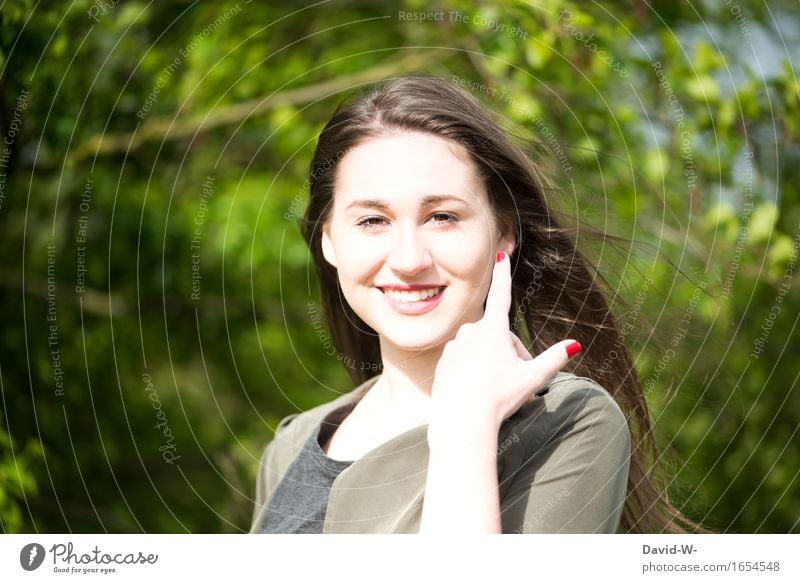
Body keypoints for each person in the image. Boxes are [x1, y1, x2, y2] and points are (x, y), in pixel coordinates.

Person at [250, 76, 701, 534]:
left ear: (503, 231)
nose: (409, 260)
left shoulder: (567, 422)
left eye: (442, 217)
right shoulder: (291, 445)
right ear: (329, 239)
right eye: (372, 220)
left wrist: (465, 430)